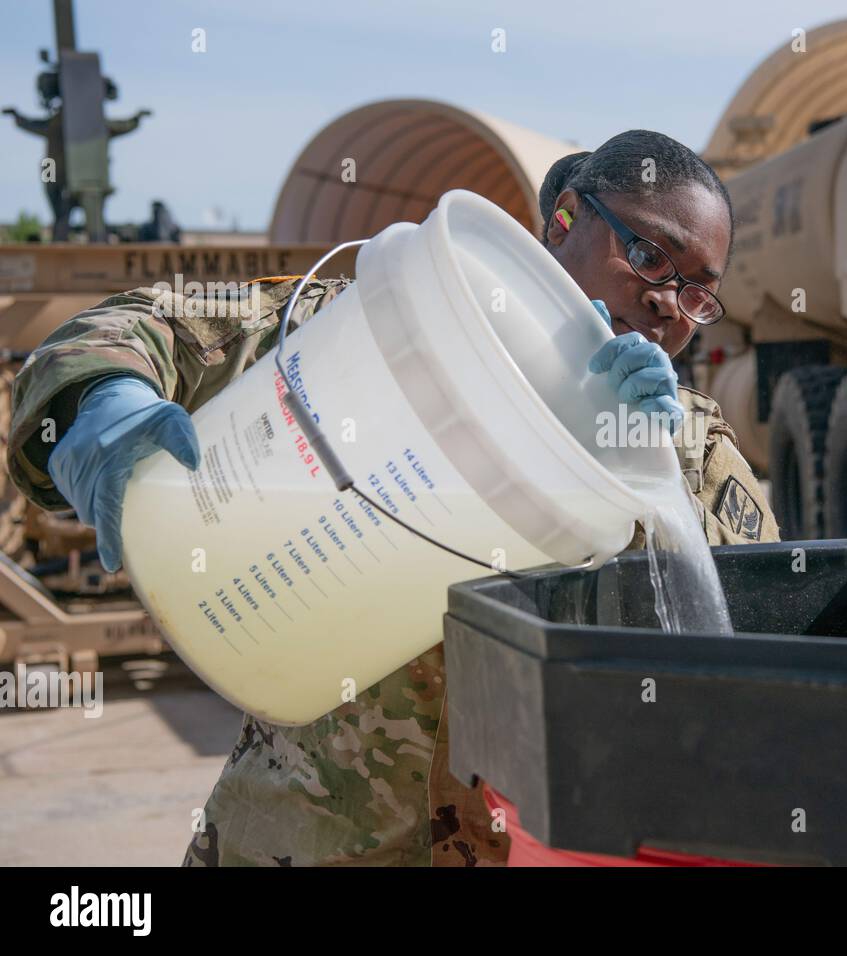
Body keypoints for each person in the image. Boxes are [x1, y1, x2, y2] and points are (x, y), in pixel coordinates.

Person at [5, 129, 780, 866]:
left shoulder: (692, 455)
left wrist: (643, 474)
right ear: (566, 219)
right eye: (647, 256)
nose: (668, 304)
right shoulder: (379, 331)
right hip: (302, 839)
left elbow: (745, 646)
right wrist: (100, 401)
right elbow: (142, 329)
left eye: (698, 293)